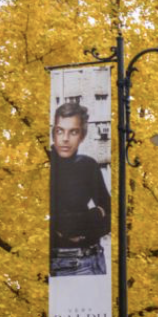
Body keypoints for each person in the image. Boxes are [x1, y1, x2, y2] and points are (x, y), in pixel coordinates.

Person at [49, 102, 111, 277]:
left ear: (82, 136)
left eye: (73, 132)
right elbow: (60, 222)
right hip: (63, 263)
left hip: (96, 257)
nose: (65, 138)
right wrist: (95, 215)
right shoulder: (46, 165)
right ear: (54, 132)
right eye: (60, 130)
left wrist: (82, 231)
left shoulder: (87, 165)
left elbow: (110, 213)